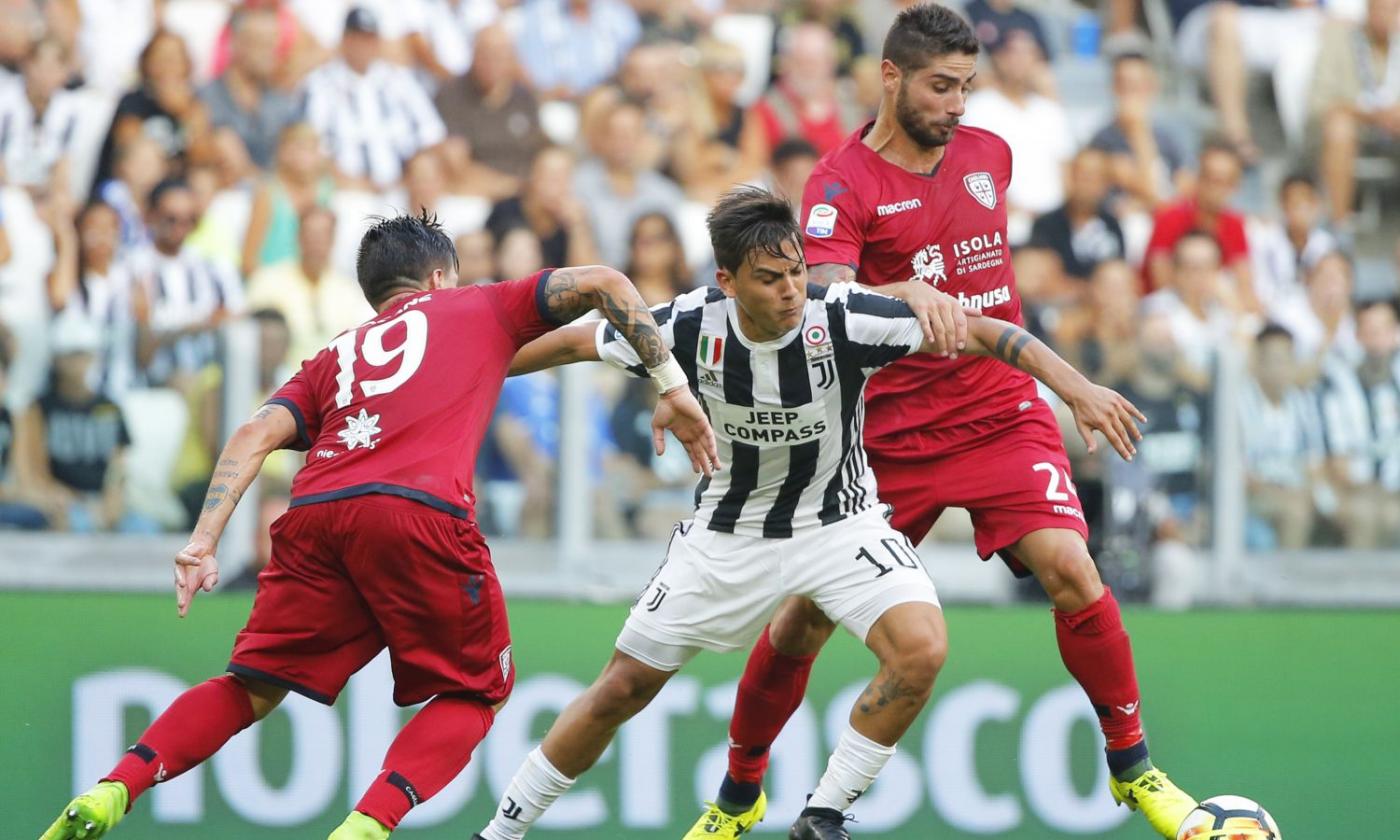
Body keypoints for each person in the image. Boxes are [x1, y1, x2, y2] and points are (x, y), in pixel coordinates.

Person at [470, 186, 1143, 840]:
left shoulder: (842, 316)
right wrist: (462, 374)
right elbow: (569, 344)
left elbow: (986, 331)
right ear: (728, 281)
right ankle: (502, 831)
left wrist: (1077, 389)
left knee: (922, 649)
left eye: (796, 271)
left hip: (839, 525)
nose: (791, 290)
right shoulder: (682, 323)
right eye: (770, 279)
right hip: (726, 536)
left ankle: (822, 814)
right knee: (621, 689)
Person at [38, 211, 716, 840]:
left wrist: (202, 539)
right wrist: (672, 382)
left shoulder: (339, 353)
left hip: (316, 517)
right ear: (442, 277)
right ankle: (368, 823)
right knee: (478, 691)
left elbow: (254, 431)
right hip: (418, 513)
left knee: (249, 687)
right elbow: (602, 282)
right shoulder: (474, 307)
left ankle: (111, 789)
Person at [695, 8, 1199, 839]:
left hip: (999, 412)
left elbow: (990, 276)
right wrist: (906, 296)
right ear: (891, 77)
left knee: (1073, 568)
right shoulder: (839, 184)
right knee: (803, 620)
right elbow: (818, 290)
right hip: (885, 434)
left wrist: (1067, 385)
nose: (958, 103)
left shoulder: (989, 156)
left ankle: (1135, 769)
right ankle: (740, 792)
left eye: (968, 85)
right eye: (941, 85)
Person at [304, 7, 446, 188]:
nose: (363, 46)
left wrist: (412, 173)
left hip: (402, 189)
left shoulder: (400, 79)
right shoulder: (320, 84)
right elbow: (313, 144)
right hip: (348, 191)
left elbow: (432, 134)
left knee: (429, 172)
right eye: (356, 38)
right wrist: (352, 182)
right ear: (344, 40)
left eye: (369, 39)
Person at [961, 27, 1074, 243]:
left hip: (1057, 221)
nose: (1021, 60)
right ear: (999, 58)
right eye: (1014, 52)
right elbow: (972, 170)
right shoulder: (978, 107)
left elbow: (1067, 171)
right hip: (1007, 220)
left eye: (1029, 53)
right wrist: (1008, 209)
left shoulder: (1051, 111)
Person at [1308, 0, 1400, 227]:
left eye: (1392, 9)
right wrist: (1372, 114)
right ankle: (1339, 226)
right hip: (1354, 122)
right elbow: (1321, 101)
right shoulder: (1340, 39)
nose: (1384, 16)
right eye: (1379, 8)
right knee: (1339, 129)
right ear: (1367, 9)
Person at [1318, 299, 1400, 548]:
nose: (1377, 341)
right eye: (1369, 332)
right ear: (1357, 335)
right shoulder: (1339, 383)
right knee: (1365, 515)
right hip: (1355, 490)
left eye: (1384, 331)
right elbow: (1337, 462)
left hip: (1394, 491)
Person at [246, 206, 372, 364]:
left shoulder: (349, 291)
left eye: (322, 236)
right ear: (298, 237)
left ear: (333, 240)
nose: (316, 244)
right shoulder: (267, 281)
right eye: (310, 235)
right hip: (283, 382)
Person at [92, 29, 211, 189]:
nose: (168, 67)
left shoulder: (194, 105)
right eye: (161, 59)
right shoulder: (133, 100)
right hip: (135, 188)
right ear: (147, 63)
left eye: (174, 59)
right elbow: (128, 152)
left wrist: (182, 113)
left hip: (179, 192)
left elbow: (202, 158)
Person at [1140, 139, 1253, 309]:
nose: (1218, 190)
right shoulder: (1170, 218)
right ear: (1199, 178)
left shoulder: (1234, 224)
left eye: (1226, 182)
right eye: (1212, 180)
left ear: (1235, 186)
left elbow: (1245, 285)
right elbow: (1161, 282)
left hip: (1212, 309)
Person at [1240, 323, 1323, 549]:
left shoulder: (1303, 402)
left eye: (1287, 360)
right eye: (1275, 360)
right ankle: (1290, 582)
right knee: (1295, 511)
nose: (1282, 368)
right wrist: (1283, 493)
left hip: (1297, 490)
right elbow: (1241, 476)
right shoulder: (1239, 404)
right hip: (1253, 495)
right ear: (1257, 363)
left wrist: (1311, 491)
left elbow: (1314, 464)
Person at [433, 24, 547, 183]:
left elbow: (539, 148)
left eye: (500, 55)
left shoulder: (525, 97)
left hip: (525, 191)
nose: (492, 63)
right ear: (473, 55)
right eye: (486, 54)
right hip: (476, 193)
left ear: (512, 59)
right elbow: (454, 162)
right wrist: (507, 186)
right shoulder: (451, 95)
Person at [200, 5, 306, 171]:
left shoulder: (282, 101)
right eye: (262, 44)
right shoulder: (205, 97)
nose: (271, 54)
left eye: (274, 44)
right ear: (236, 44)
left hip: (272, 192)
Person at [1088, 51, 1191, 211]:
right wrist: (1137, 131)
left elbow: (1186, 189)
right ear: (1113, 88)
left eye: (1136, 86)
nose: (1129, 93)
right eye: (1123, 85)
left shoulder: (1168, 136)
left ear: (1151, 87)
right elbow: (1149, 189)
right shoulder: (1103, 141)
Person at [240, 122, 334, 279]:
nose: (302, 155)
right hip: (272, 282)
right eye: (296, 147)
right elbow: (248, 260)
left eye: (309, 148)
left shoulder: (327, 190)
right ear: (282, 152)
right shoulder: (268, 194)